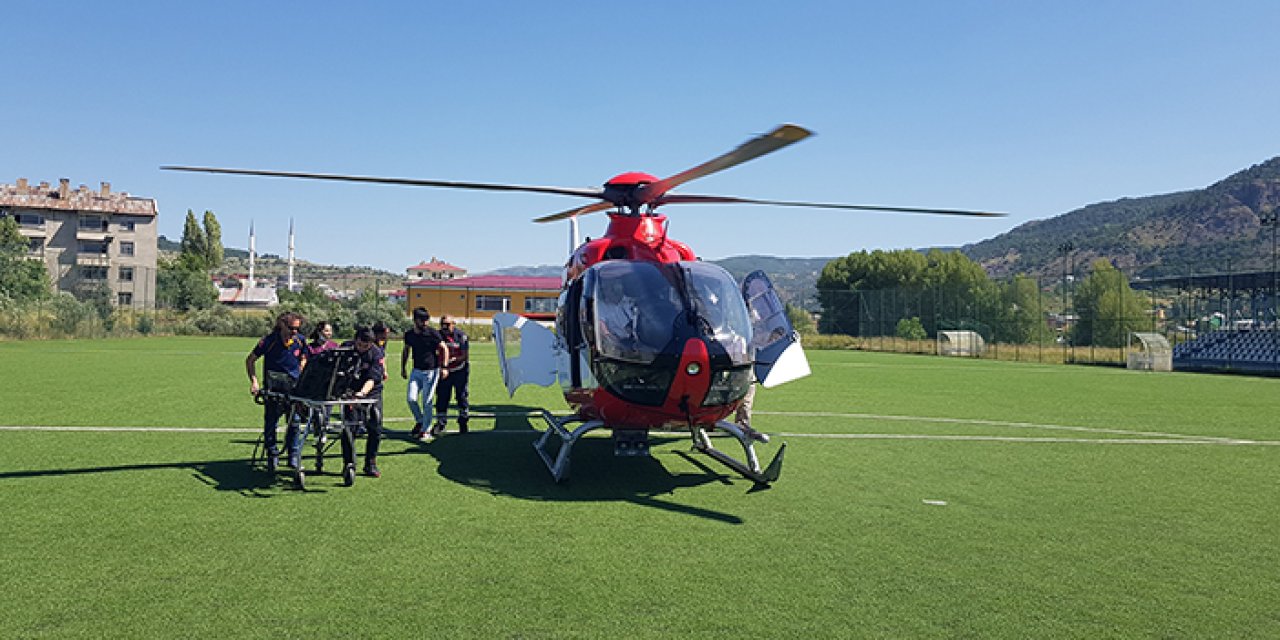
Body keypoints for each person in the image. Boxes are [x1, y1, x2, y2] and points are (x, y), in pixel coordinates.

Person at [245, 311, 307, 472]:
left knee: (294, 422)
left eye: (297, 329)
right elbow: (250, 359)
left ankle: (293, 454)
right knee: (271, 422)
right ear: (281, 325)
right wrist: (254, 382)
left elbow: (304, 357)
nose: (294, 332)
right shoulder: (268, 341)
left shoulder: (300, 341)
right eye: (292, 328)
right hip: (273, 388)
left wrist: (301, 368)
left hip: (293, 389)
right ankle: (272, 454)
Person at [341, 327, 386, 477]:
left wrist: (361, 394)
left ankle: (370, 463)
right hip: (350, 392)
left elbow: (372, 379)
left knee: (375, 425)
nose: (362, 349)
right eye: (359, 344)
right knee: (349, 427)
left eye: (366, 346)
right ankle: (348, 463)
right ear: (355, 340)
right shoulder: (345, 348)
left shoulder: (376, 353)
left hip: (371, 392)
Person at [401, 307, 448, 440]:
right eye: (423, 320)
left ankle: (425, 430)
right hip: (416, 371)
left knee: (427, 402)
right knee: (411, 399)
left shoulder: (432, 333)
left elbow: (444, 348)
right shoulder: (409, 335)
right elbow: (406, 350)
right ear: (415, 320)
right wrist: (403, 367)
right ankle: (420, 420)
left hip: (431, 371)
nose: (426, 323)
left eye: (427, 320)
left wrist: (444, 367)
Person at [433, 315, 470, 435]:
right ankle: (441, 423)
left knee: (461, 396)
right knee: (442, 397)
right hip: (444, 371)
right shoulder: (437, 336)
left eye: (447, 325)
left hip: (460, 370)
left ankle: (463, 421)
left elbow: (465, 355)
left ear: (453, 324)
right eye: (442, 324)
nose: (445, 327)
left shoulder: (461, 336)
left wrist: (453, 360)